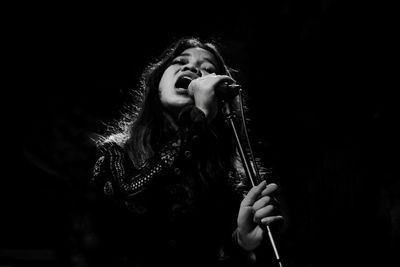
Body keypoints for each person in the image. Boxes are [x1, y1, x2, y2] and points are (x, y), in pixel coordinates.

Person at [88, 36, 284, 267]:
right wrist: (198, 118)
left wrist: (241, 242)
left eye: (208, 69)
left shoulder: (231, 175)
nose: (191, 67)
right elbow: (133, 201)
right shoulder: (116, 152)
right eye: (180, 61)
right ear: (156, 83)